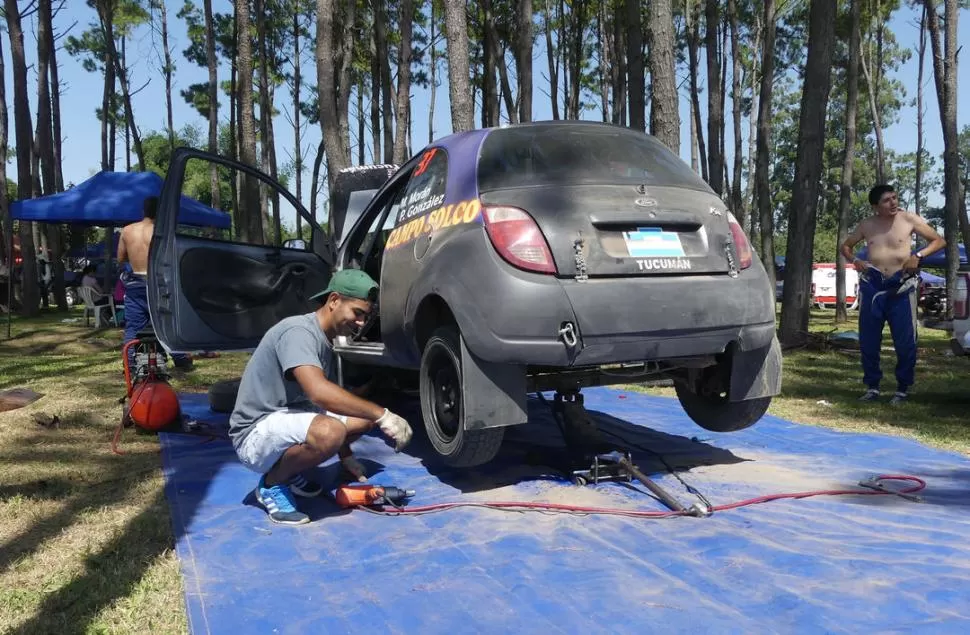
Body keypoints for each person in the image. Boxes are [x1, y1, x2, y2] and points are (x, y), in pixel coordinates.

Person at [229, 269, 413, 525]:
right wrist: (382, 414)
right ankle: (272, 484)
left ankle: (288, 468)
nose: (361, 323)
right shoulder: (298, 332)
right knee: (331, 432)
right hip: (254, 435)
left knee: (362, 420)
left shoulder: (324, 340)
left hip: (284, 420)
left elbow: (323, 401)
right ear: (334, 300)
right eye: (357, 313)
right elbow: (319, 392)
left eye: (366, 316)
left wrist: (346, 456)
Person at [840, 184, 946, 404]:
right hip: (873, 286)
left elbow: (938, 240)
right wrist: (856, 261)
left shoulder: (908, 219)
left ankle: (902, 389)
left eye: (895, 198)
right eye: (887, 200)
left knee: (905, 342)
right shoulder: (867, 225)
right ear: (875, 206)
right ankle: (872, 387)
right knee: (869, 341)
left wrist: (918, 254)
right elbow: (846, 247)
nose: (893, 203)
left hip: (901, 286)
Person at [117, 197, 192, 369]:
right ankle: (180, 359)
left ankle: (129, 365)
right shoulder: (163, 232)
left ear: (143, 211)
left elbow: (120, 258)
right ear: (160, 212)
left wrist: (136, 256)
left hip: (135, 284)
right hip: (158, 283)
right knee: (167, 324)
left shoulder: (127, 231)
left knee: (133, 328)